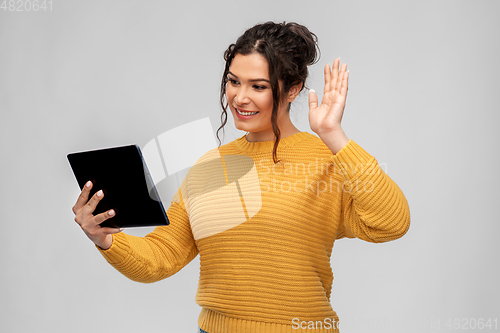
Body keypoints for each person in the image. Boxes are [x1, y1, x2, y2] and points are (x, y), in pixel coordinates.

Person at [72, 21, 410, 333]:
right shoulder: (210, 165)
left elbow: (391, 223)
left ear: (293, 89)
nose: (240, 97)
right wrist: (106, 239)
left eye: (258, 86)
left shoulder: (327, 161)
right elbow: (162, 256)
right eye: (234, 81)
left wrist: (333, 134)